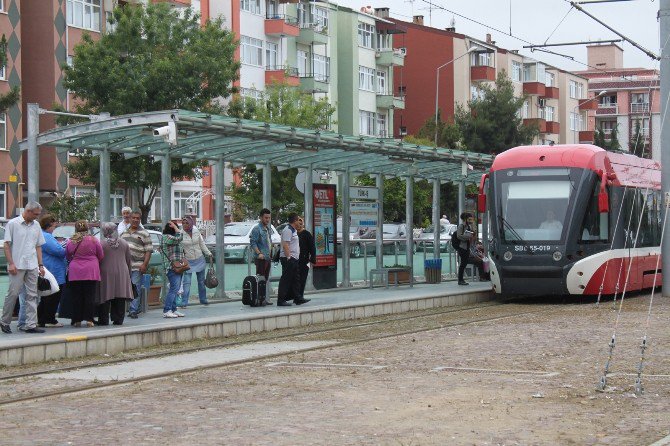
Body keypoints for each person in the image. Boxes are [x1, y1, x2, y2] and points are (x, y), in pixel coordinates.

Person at [0, 202, 47, 334]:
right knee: (13, 293)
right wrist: (11, 263)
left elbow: (38, 246)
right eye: (36, 214)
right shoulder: (13, 224)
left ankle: (31, 324)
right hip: (18, 264)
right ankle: (5, 321)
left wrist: (40, 265)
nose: (37, 217)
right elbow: (7, 245)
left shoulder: (36, 225)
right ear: (28, 211)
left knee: (32, 294)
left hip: (31, 264)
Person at [66, 220, 104, 328]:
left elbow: (68, 255)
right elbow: (101, 255)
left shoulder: (71, 241)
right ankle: (89, 319)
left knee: (76, 296)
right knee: (90, 296)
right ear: (87, 228)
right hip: (91, 270)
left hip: (75, 271)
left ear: (76, 229)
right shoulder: (93, 240)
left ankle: (76, 320)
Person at [96, 222, 134, 326]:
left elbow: (98, 259)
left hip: (106, 272)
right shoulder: (124, 243)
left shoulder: (101, 244)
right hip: (122, 272)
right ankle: (118, 319)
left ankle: (103, 319)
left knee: (105, 295)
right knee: (120, 296)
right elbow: (128, 260)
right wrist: (129, 273)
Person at [120, 210, 152, 319]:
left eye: (137, 218)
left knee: (135, 287)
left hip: (138, 265)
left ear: (140, 220)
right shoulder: (123, 233)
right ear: (129, 219)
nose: (135, 220)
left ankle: (133, 310)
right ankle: (128, 308)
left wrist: (144, 265)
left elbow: (148, 250)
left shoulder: (144, 233)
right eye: (133, 218)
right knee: (126, 288)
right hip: (125, 266)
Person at [37, 214, 66, 328]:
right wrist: (64, 246)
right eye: (54, 226)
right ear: (48, 226)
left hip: (48, 269)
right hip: (54, 271)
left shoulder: (41, 235)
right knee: (53, 296)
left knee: (45, 297)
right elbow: (59, 251)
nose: (54, 228)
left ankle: (41, 319)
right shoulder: (47, 237)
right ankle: (50, 319)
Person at [178, 215, 212, 308]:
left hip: (199, 258)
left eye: (187, 223)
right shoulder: (180, 233)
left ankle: (203, 300)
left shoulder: (196, 231)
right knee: (187, 282)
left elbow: (201, 243)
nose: (185, 225)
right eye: (183, 223)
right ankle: (184, 302)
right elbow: (179, 248)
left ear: (191, 223)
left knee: (201, 281)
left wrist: (208, 253)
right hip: (188, 261)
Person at [160, 220, 185, 318]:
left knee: (175, 288)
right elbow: (180, 237)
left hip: (178, 266)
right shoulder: (166, 237)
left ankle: (173, 309)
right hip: (171, 267)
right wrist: (176, 227)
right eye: (174, 227)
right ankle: (167, 310)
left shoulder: (173, 238)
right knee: (174, 288)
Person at [249, 208, 274, 305]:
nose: (267, 220)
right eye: (265, 218)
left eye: (269, 218)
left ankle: (263, 298)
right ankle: (259, 299)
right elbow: (253, 242)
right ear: (260, 218)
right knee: (260, 279)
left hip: (267, 257)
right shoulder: (257, 229)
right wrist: (259, 253)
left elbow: (268, 242)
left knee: (265, 279)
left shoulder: (267, 229)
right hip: (261, 258)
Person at [277, 213, 302, 307]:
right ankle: (281, 300)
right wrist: (289, 257)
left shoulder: (293, 230)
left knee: (296, 279)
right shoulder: (288, 230)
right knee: (286, 279)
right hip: (288, 258)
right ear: (295, 221)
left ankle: (298, 298)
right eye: (298, 220)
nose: (299, 222)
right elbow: (286, 245)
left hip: (294, 258)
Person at [296, 217, 315, 304]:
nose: (299, 226)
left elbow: (312, 247)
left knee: (303, 278)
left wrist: (312, 259)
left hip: (305, 260)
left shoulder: (307, 234)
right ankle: (296, 296)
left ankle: (300, 296)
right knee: (295, 279)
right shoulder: (294, 233)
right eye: (298, 224)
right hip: (295, 260)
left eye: (301, 224)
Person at [455, 212, 475, 286]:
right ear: (465, 219)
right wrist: (468, 236)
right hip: (462, 247)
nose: (471, 220)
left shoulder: (468, 226)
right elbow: (459, 236)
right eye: (469, 219)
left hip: (467, 247)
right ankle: (460, 280)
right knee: (463, 264)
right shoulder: (461, 226)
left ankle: (461, 279)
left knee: (464, 263)